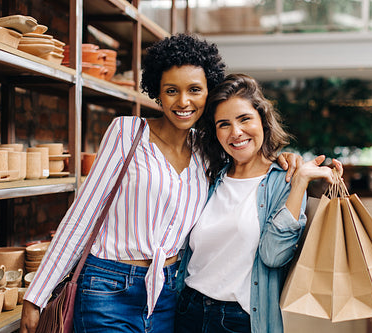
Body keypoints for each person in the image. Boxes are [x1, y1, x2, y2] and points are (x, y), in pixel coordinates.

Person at [20, 34, 301, 333]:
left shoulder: (207, 153)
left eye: (194, 90)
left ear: (208, 94)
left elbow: (246, 151)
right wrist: (35, 297)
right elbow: (82, 217)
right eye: (171, 91)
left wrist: (286, 159)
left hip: (167, 295)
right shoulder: (127, 133)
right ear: (157, 93)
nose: (183, 101)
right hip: (107, 288)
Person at [174, 74, 343, 333]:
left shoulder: (283, 181)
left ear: (263, 121)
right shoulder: (208, 175)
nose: (236, 132)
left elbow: (274, 256)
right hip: (187, 308)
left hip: (237, 319)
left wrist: (299, 184)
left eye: (244, 119)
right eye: (224, 124)